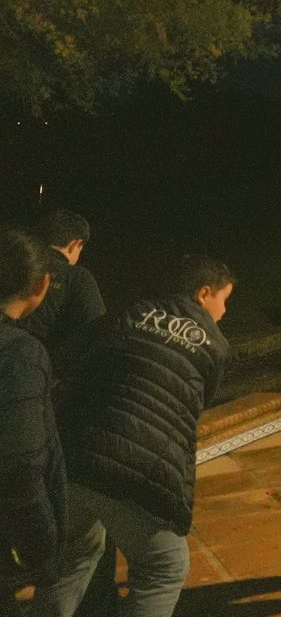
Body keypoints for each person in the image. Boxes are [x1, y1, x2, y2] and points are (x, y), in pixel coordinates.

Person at [34, 254, 233, 617]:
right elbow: (195, 404)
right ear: (204, 293)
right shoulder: (216, 346)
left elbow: (68, 363)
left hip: (77, 457)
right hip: (143, 473)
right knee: (164, 569)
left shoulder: (125, 313)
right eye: (224, 300)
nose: (224, 312)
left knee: (76, 551)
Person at [1, 228, 105, 617]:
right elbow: (20, 468)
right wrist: (43, 550)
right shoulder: (21, 357)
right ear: (41, 283)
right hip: (13, 529)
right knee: (87, 540)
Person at [19, 209, 106, 377]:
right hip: (40, 373)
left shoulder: (15, 263)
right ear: (75, 244)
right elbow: (95, 329)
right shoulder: (77, 278)